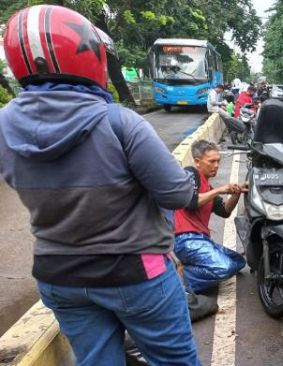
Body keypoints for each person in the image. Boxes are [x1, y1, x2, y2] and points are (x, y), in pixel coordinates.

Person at [0, 5, 200, 365]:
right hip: (136, 274)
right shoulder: (120, 122)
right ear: (89, 56)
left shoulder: (2, 127)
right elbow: (177, 194)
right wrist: (188, 177)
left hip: (59, 276)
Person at [174, 140, 247, 292]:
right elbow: (191, 202)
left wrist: (237, 191)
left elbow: (225, 211)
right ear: (197, 161)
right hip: (185, 239)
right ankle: (177, 281)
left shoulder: (208, 188)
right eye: (211, 161)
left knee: (238, 261)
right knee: (224, 267)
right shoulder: (190, 174)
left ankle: (191, 269)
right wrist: (220, 190)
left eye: (218, 161)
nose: (216, 165)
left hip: (202, 240)